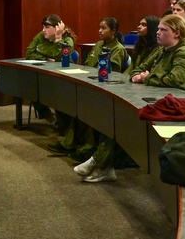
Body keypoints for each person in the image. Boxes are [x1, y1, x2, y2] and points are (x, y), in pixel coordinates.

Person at [47, 17, 126, 159]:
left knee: (86, 108)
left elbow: (113, 74)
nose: (100, 31)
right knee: (73, 104)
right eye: (99, 28)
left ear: (113, 31)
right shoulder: (98, 45)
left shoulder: (118, 49)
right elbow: (87, 65)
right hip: (89, 84)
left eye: (104, 28)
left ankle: (87, 148)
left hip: (106, 89)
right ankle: (69, 142)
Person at [25, 14, 77, 128]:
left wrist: (58, 38)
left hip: (64, 77)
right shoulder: (41, 36)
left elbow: (59, 59)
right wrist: (45, 58)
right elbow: (28, 53)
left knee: (57, 93)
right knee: (32, 87)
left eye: (47, 27)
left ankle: (64, 124)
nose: (43, 30)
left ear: (57, 28)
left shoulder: (68, 40)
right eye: (43, 27)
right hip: (46, 73)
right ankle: (50, 118)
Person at [129, 14, 185, 89]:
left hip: (178, 98)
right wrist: (137, 76)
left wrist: (147, 78)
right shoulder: (162, 50)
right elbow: (138, 69)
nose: (157, 32)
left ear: (176, 33)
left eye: (163, 30)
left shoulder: (184, 54)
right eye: (158, 29)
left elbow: (177, 81)